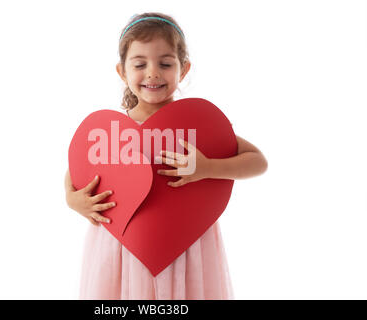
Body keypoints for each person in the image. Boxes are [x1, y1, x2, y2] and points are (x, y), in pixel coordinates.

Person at [64, 12, 268, 299]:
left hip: (186, 240)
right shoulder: (110, 131)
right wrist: (73, 199)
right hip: (122, 241)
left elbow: (258, 161)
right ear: (122, 72)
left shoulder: (197, 126)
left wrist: (206, 167)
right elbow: (77, 169)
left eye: (165, 63)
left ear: (183, 70)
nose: (153, 73)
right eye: (140, 64)